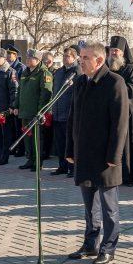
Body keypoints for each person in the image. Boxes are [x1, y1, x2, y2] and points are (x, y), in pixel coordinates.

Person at [65, 41, 128, 264]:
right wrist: (70, 150)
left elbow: (120, 123)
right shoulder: (79, 82)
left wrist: (114, 156)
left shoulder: (114, 82)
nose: (80, 61)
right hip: (84, 154)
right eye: (80, 57)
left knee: (109, 207)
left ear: (99, 60)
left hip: (105, 157)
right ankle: (90, 244)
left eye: (85, 58)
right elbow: (72, 119)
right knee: (89, 205)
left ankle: (108, 247)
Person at [13, 49, 53, 170]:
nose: (28, 60)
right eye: (27, 58)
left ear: (38, 60)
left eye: (30, 58)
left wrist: (41, 111)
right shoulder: (25, 72)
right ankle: (30, 159)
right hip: (25, 111)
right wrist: (16, 106)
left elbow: (46, 94)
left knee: (36, 139)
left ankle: (37, 162)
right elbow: (19, 91)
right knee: (27, 137)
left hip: (35, 112)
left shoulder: (43, 73)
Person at [108, 35, 133, 187]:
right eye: (112, 50)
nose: (114, 53)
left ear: (122, 53)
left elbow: (132, 91)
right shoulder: (106, 68)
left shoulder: (129, 69)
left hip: (122, 114)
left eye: (116, 51)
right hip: (107, 114)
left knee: (124, 146)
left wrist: (114, 89)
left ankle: (126, 176)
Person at [50, 45, 82, 177]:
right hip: (58, 113)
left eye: (67, 56)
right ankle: (62, 166)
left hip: (69, 113)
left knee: (71, 143)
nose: (64, 58)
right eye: (63, 56)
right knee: (60, 143)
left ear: (75, 58)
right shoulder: (59, 72)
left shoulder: (77, 72)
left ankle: (73, 168)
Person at [6, 44, 25, 157]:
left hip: (18, 101)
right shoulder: (6, 67)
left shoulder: (20, 67)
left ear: (15, 55)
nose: (8, 56)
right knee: (10, 127)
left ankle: (20, 149)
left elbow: (20, 86)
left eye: (10, 54)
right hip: (8, 101)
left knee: (18, 127)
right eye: (7, 54)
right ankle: (12, 147)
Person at [40, 50, 57, 159]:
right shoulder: (42, 72)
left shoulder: (54, 73)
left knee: (47, 132)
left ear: (49, 62)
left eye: (43, 61)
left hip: (49, 107)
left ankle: (46, 152)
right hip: (42, 105)